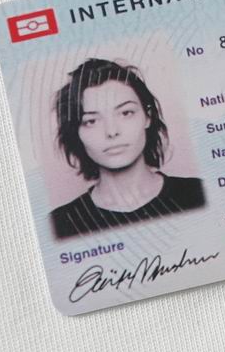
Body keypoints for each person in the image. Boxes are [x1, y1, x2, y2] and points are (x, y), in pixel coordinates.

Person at [50, 58, 205, 239]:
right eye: (91, 121)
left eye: (126, 113)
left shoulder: (198, 193)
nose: (112, 132)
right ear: (76, 133)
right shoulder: (60, 223)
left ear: (147, 117)